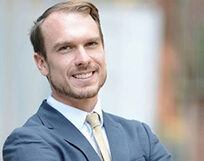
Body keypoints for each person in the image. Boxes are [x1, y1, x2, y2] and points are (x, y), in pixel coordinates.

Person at [3, 1, 172, 161]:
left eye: (91, 44)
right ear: (42, 63)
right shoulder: (27, 143)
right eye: (66, 48)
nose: (83, 59)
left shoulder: (140, 135)